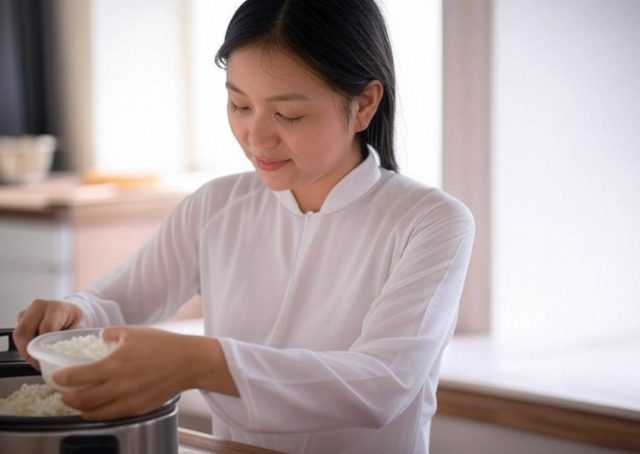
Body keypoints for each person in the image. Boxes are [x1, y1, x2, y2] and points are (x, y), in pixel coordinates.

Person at [13, 0, 474, 452]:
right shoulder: (217, 204)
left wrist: (201, 361)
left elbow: (380, 384)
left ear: (364, 104)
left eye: (287, 114)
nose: (256, 137)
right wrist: (75, 314)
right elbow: (114, 301)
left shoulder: (430, 222)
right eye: (239, 105)